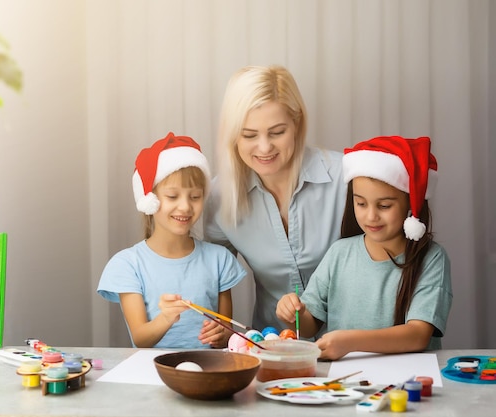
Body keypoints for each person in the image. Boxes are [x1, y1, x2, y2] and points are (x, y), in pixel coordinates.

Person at [275, 136, 453, 360]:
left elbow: (417, 335)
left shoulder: (432, 258)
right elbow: (310, 327)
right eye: (360, 203)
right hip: (344, 384)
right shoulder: (339, 253)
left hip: (409, 381)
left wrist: (350, 343)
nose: (371, 216)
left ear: (411, 204)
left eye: (384, 205)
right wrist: (296, 312)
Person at [203, 65, 347, 331]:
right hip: (273, 348)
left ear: (297, 123)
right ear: (233, 134)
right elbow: (213, 281)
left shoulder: (344, 178)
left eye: (277, 132)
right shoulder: (219, 198)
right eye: (249, 135)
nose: (265, 147)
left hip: (354, 348)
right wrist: (218, 328)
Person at [97, 132, 247, 349]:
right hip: (152, 374)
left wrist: (222, 335)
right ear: (150, 200)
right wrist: (165, 318)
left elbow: (225, 335)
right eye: (172, 196)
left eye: (195, 197)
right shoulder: (128, 264)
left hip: (209, 375)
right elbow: (140, 339)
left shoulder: (219, 259)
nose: (185, 207)